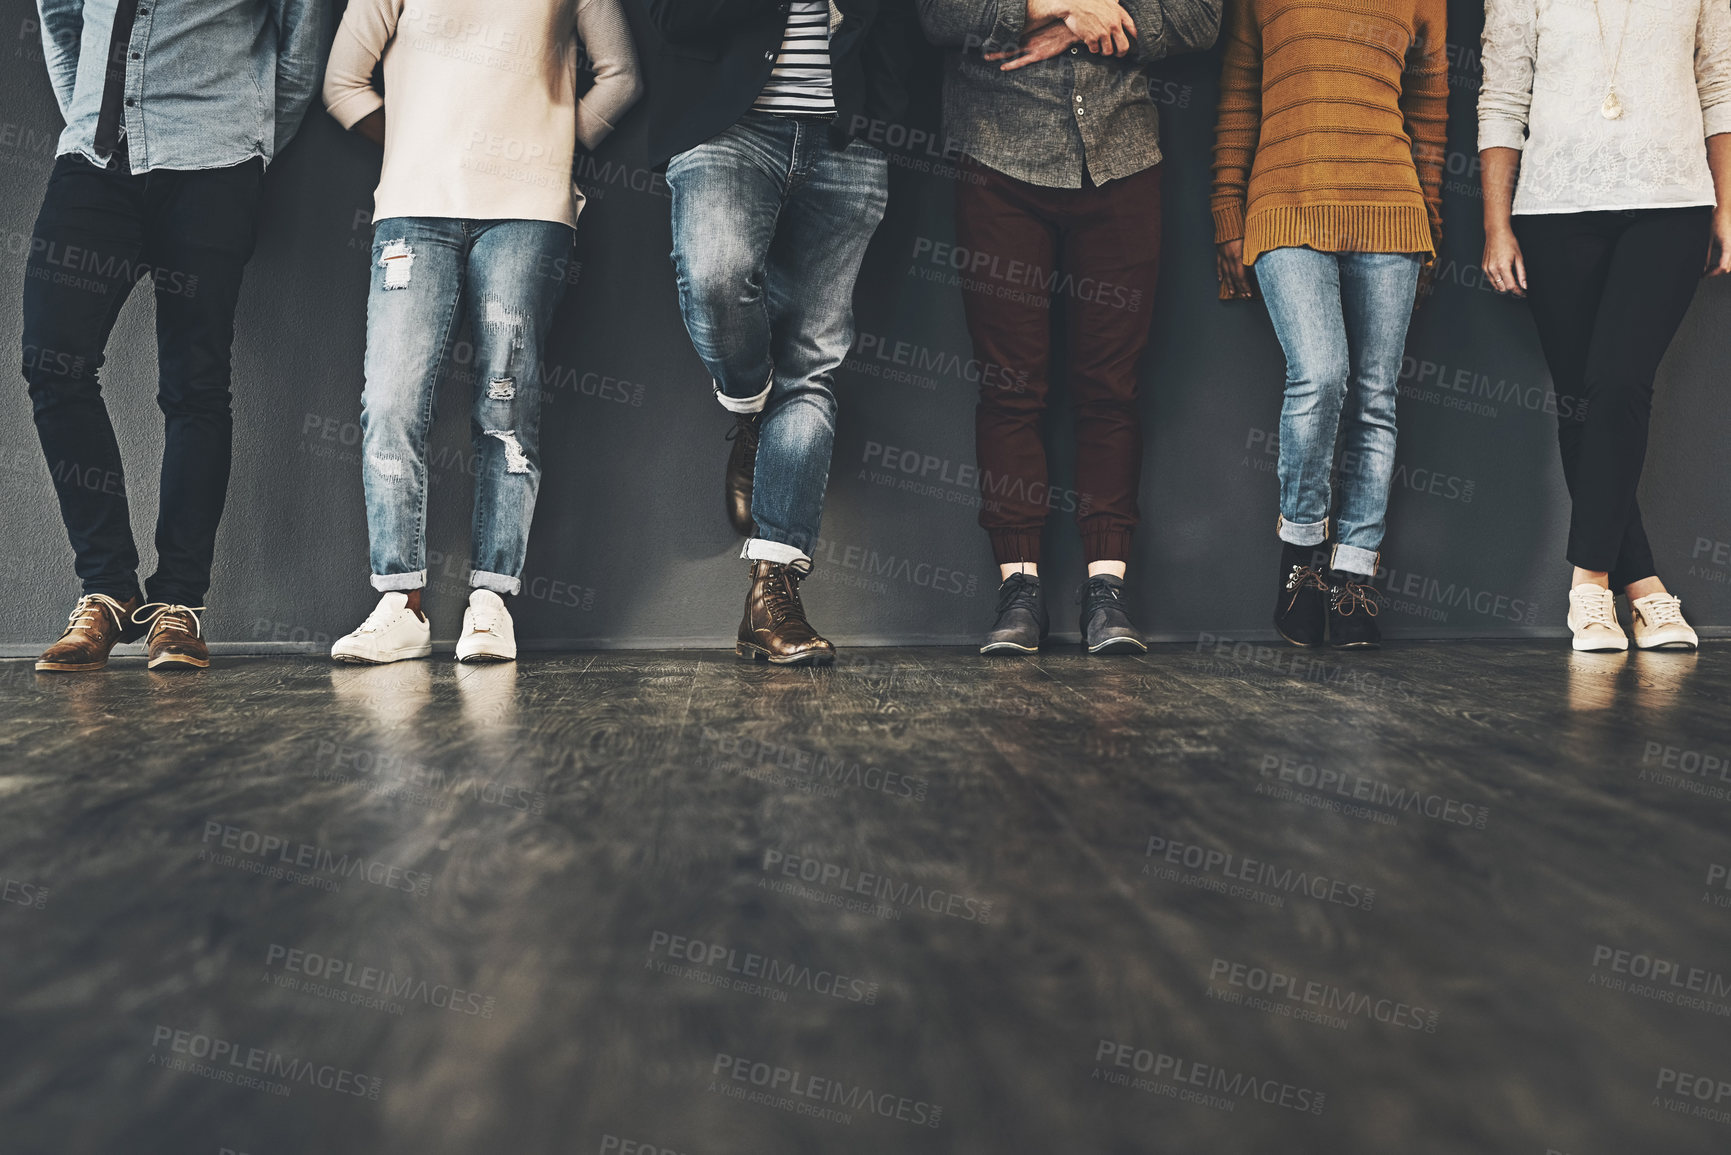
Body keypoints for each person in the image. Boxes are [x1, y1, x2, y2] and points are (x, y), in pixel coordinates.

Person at [322, 0, 640, 664]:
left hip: (527, 212)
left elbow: (620, 75)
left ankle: (491, 603)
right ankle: (399, 604)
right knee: (390, 399)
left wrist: (552, 149)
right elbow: (342, 85)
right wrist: (422, 144)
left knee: (506, 406)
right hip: (414, 209)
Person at [25, 0, 328, 672]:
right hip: (96, 157)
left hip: (213, 163)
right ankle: (107, 589)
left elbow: (300, 43)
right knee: (53, 361)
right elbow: (59, 14)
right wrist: (87, 114)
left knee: (194, 385)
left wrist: (249, 140)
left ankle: (178, 605)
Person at [919, 0, 1222, 656]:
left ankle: (1105, 592)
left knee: (1110, 388)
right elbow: (935, 14)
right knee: (1009, 387)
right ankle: (1018, 591)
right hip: (996, 157)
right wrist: (1058, 5)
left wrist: (1091, 24)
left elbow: (1201, 18)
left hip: (1124, 160)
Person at [638, 0, 916, 665]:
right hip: (727, 130)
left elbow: (900, 23)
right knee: (714, 278)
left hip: (844, 143)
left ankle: (772, 592)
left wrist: (881, 126)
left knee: (812, 363)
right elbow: (675, 18)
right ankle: (748, 409)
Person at [1479, 0, 1731, 652]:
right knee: (1581, 404)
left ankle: (1587, 584)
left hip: (1672, 203)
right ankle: (1643, 587)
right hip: (1553, 206)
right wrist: (1495, 223)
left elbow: (1720, 82)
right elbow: (1501, 96)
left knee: (1618, 382)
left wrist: (1728, 206)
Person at [1212, 0, 1447, 650]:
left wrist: (1430, 221)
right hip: (1285, 197)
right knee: (1319, 376)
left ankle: (1351, 577)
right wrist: (1225, 214)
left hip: (1390, 207)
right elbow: (1236, 97)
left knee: (1375, 397)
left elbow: (1429, 108)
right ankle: (1300, 557)